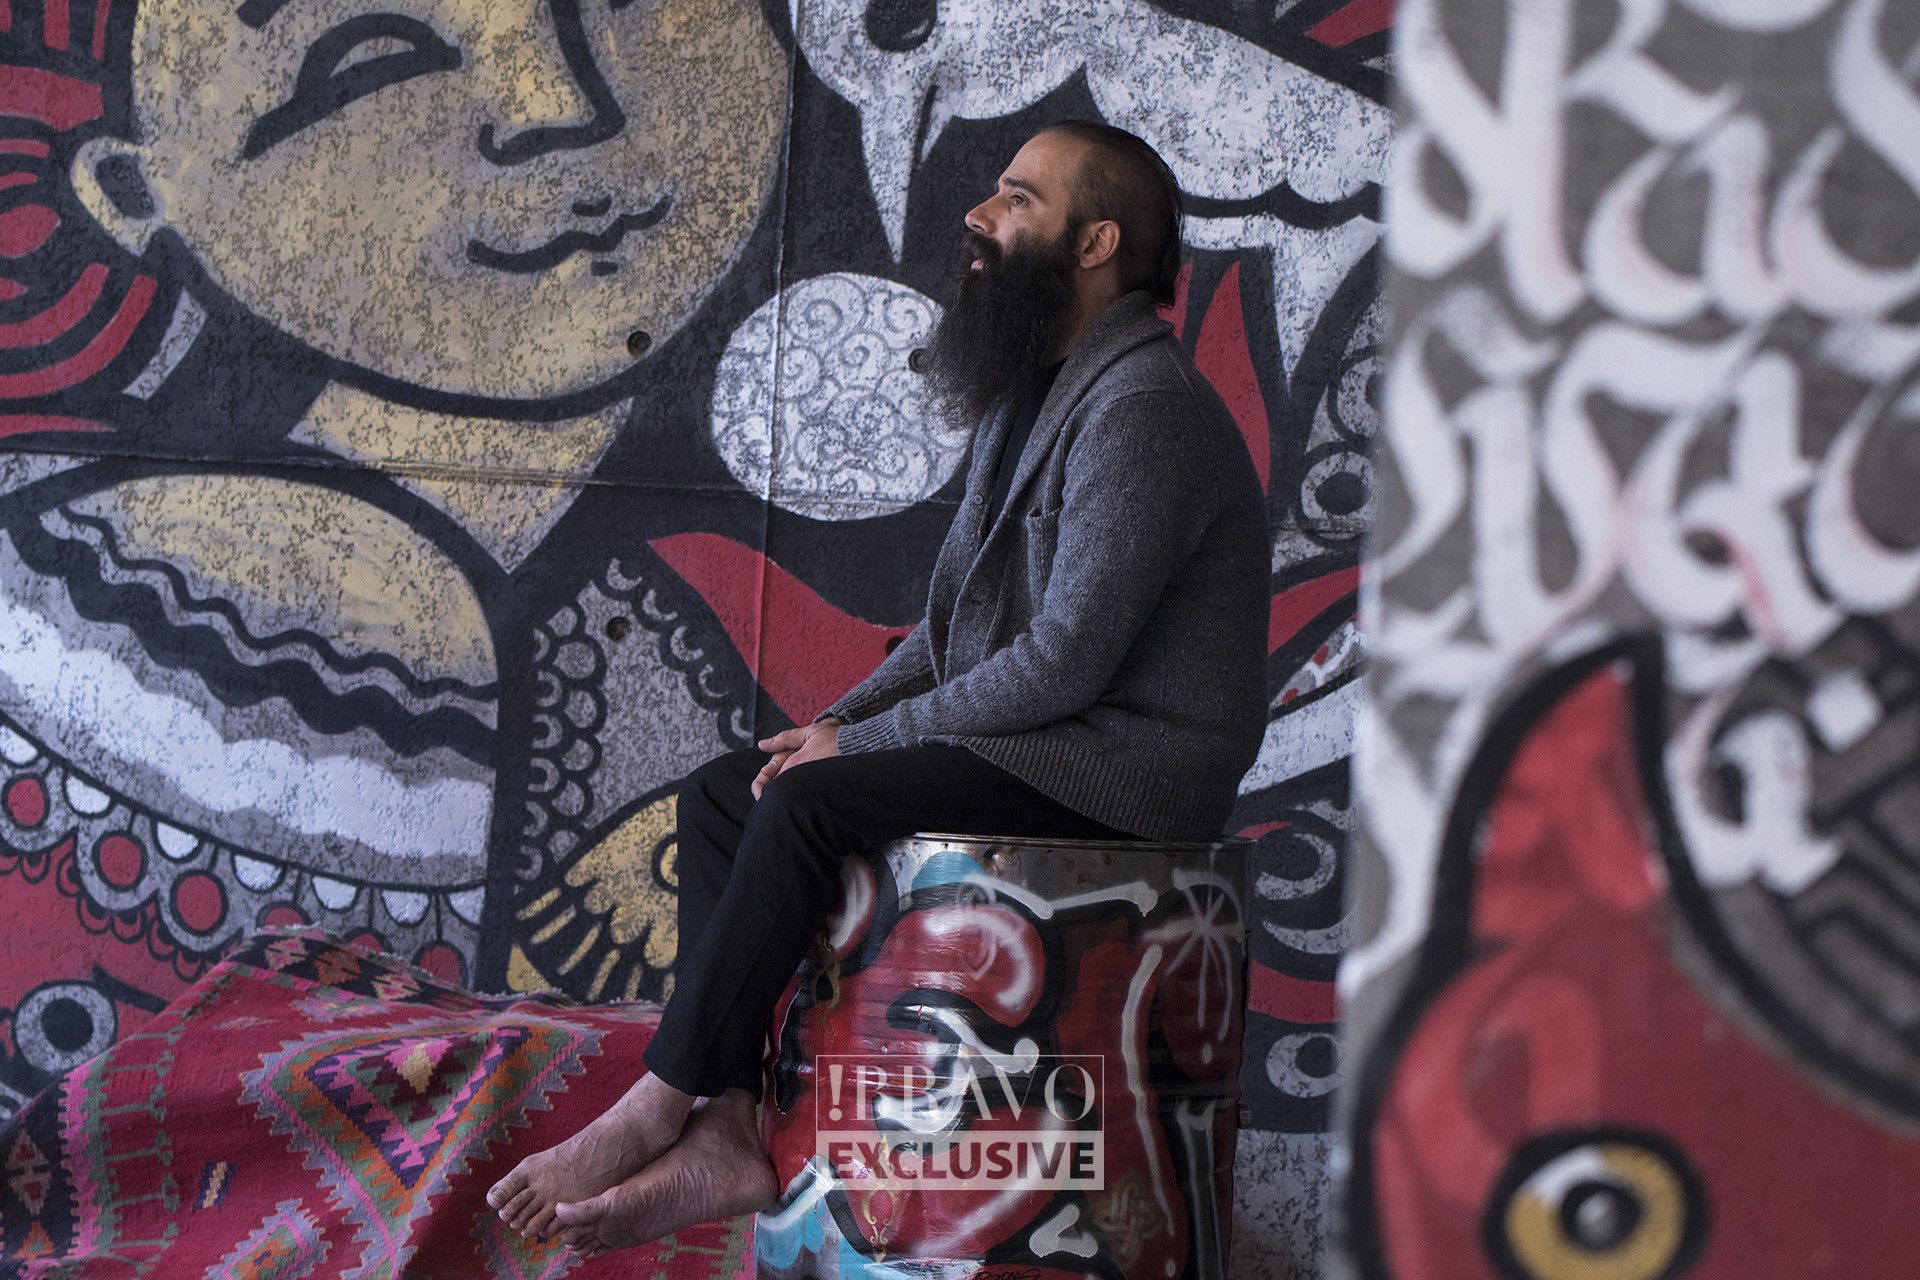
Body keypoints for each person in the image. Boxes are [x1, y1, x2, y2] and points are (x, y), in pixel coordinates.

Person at [485, 119, 1271, 1257]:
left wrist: (854, 752)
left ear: (1096, 243)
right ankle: (730, 1121)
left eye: (1018, 199)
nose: (979, 217)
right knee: (731, 791)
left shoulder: (1144, 406)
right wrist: (838, 722)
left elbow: (1065, 660)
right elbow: (953, 636)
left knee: (814, 800)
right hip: (1054, 736)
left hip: (1130, 764)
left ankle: (659, 1100)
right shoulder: (1039, 392)